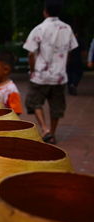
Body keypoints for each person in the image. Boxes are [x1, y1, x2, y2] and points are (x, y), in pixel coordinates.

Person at [23, 0, 78, 144]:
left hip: (40, 76)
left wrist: (33, 69)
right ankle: (52, 133)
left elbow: (30, 53)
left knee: (33, 102)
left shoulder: (39, 29)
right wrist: (62, 66)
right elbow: (71, 51)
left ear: (45, 11)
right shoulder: (67, 28)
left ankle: (45, 129)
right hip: (60, 76)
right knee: (56, 107)